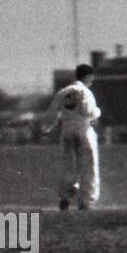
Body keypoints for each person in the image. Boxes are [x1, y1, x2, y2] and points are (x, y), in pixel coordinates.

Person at [43, 63, 102, 210]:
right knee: (89, 166)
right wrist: (98, 112)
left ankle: (65, 198)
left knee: (69, 167)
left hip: (67, 131)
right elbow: (88, 112)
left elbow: (52, 113)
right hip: (83, 131)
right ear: (87, 77)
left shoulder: (63, 92)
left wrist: (48, 128)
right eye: (91, 78)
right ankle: (86, 201)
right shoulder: (85, 92)